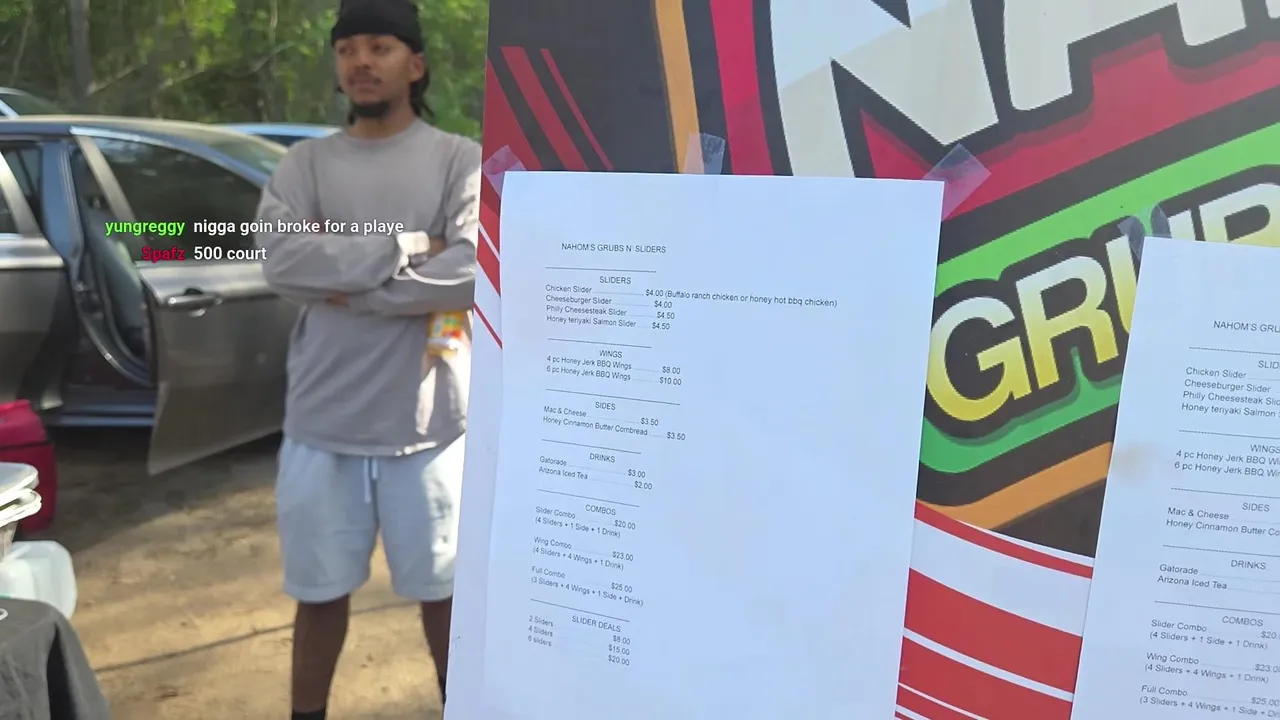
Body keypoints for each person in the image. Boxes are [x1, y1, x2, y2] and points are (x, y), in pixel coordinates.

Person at [253, 0, 481, 717]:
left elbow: (474, 270)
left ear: (415, 65)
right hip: (322, 425)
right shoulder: (305, 164)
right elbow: (281, 262)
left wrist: (352, 289)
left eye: (379, 46)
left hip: (430, 425)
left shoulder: (459, 159)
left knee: (445, 598)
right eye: (348, 48)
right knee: (318, 597)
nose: (360, 61)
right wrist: (409, 247)